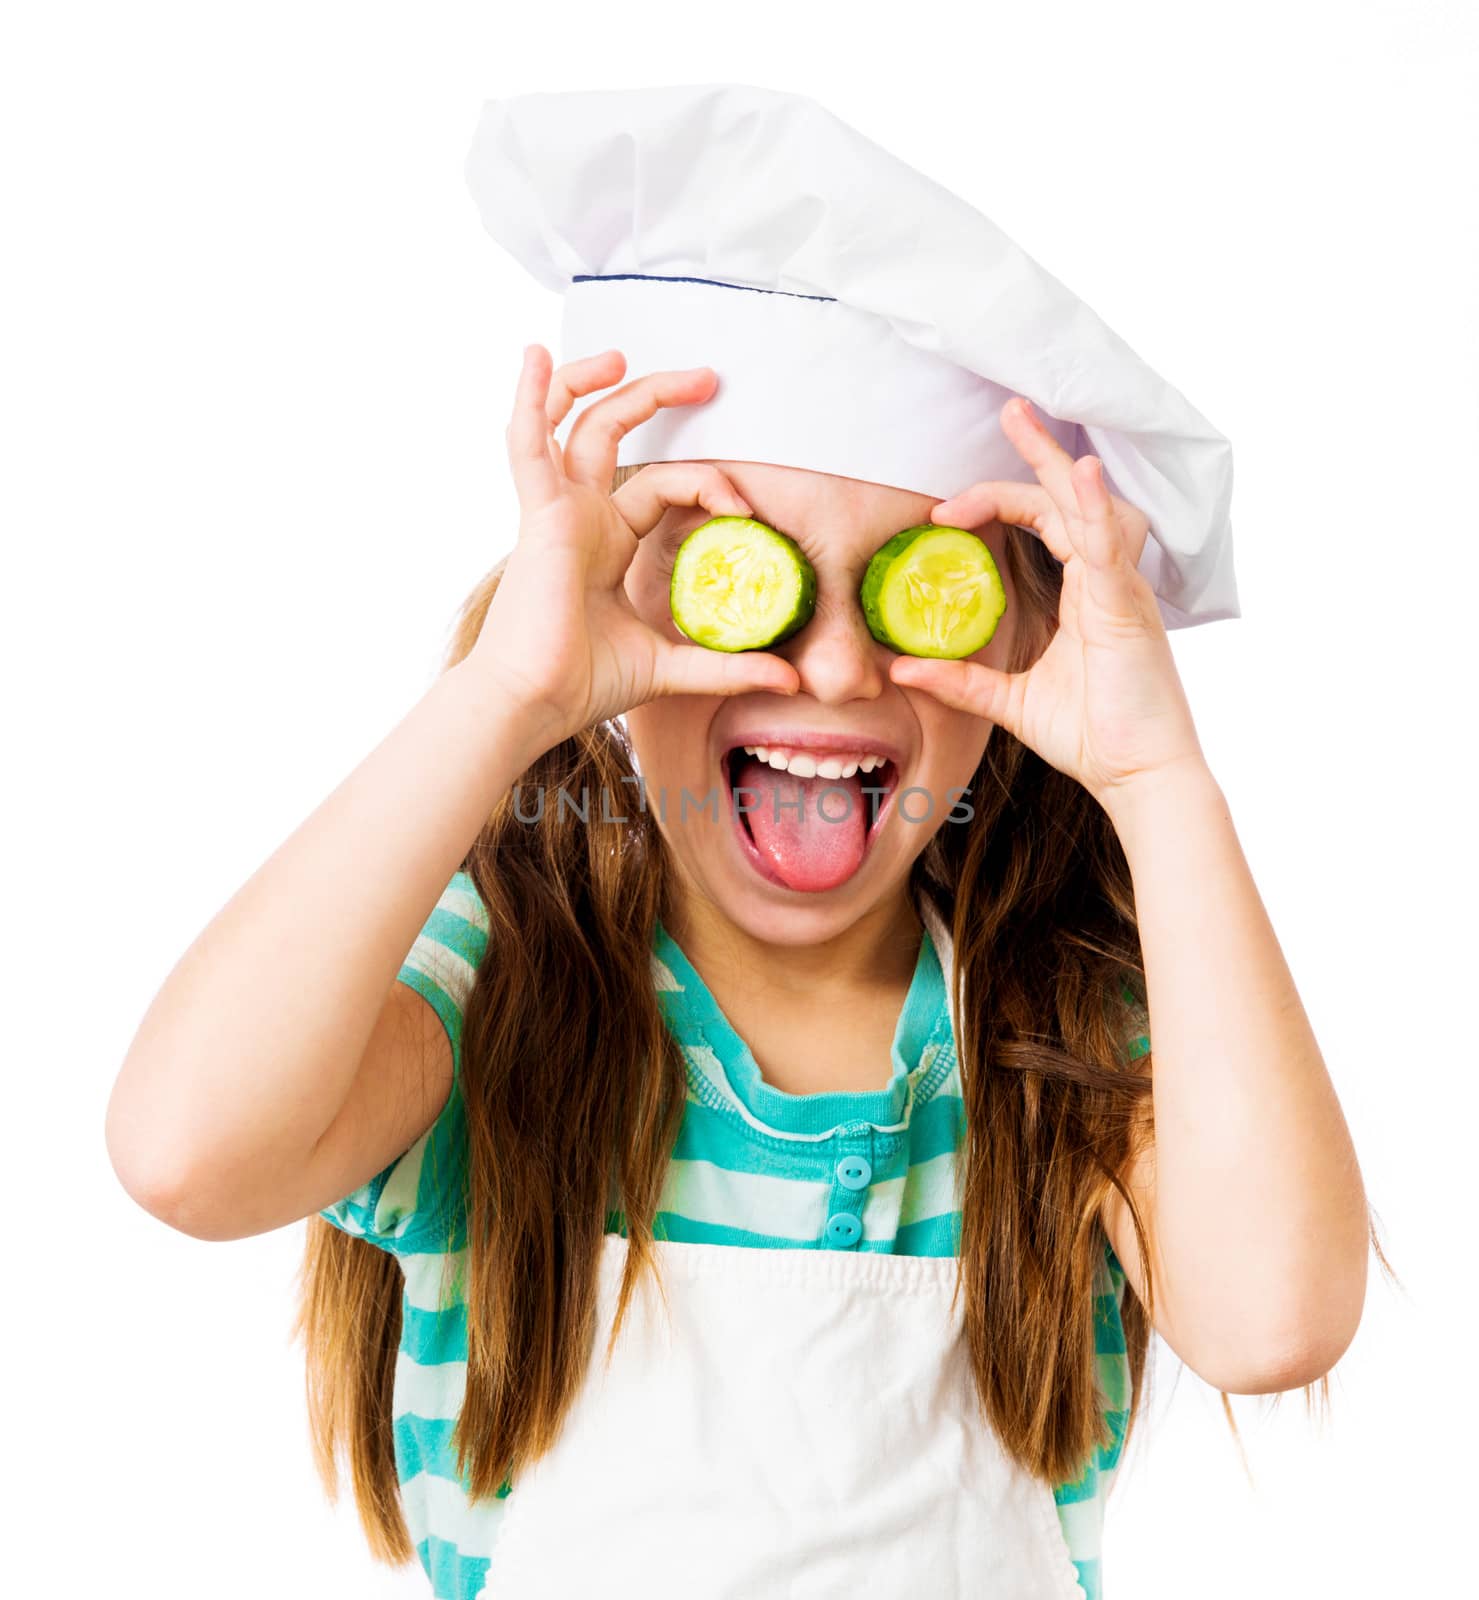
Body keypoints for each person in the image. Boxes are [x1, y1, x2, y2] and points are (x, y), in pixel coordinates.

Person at [105, 85, 1384, 1600]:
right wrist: (507, 692)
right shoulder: (498, 988)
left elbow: (1277, 1318)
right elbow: (185, 1154)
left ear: (1025, 639)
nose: (835, 671)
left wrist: (1160, 778)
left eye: (919, 595)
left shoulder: (1049, 1029)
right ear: (608, 609)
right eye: (748, 582)